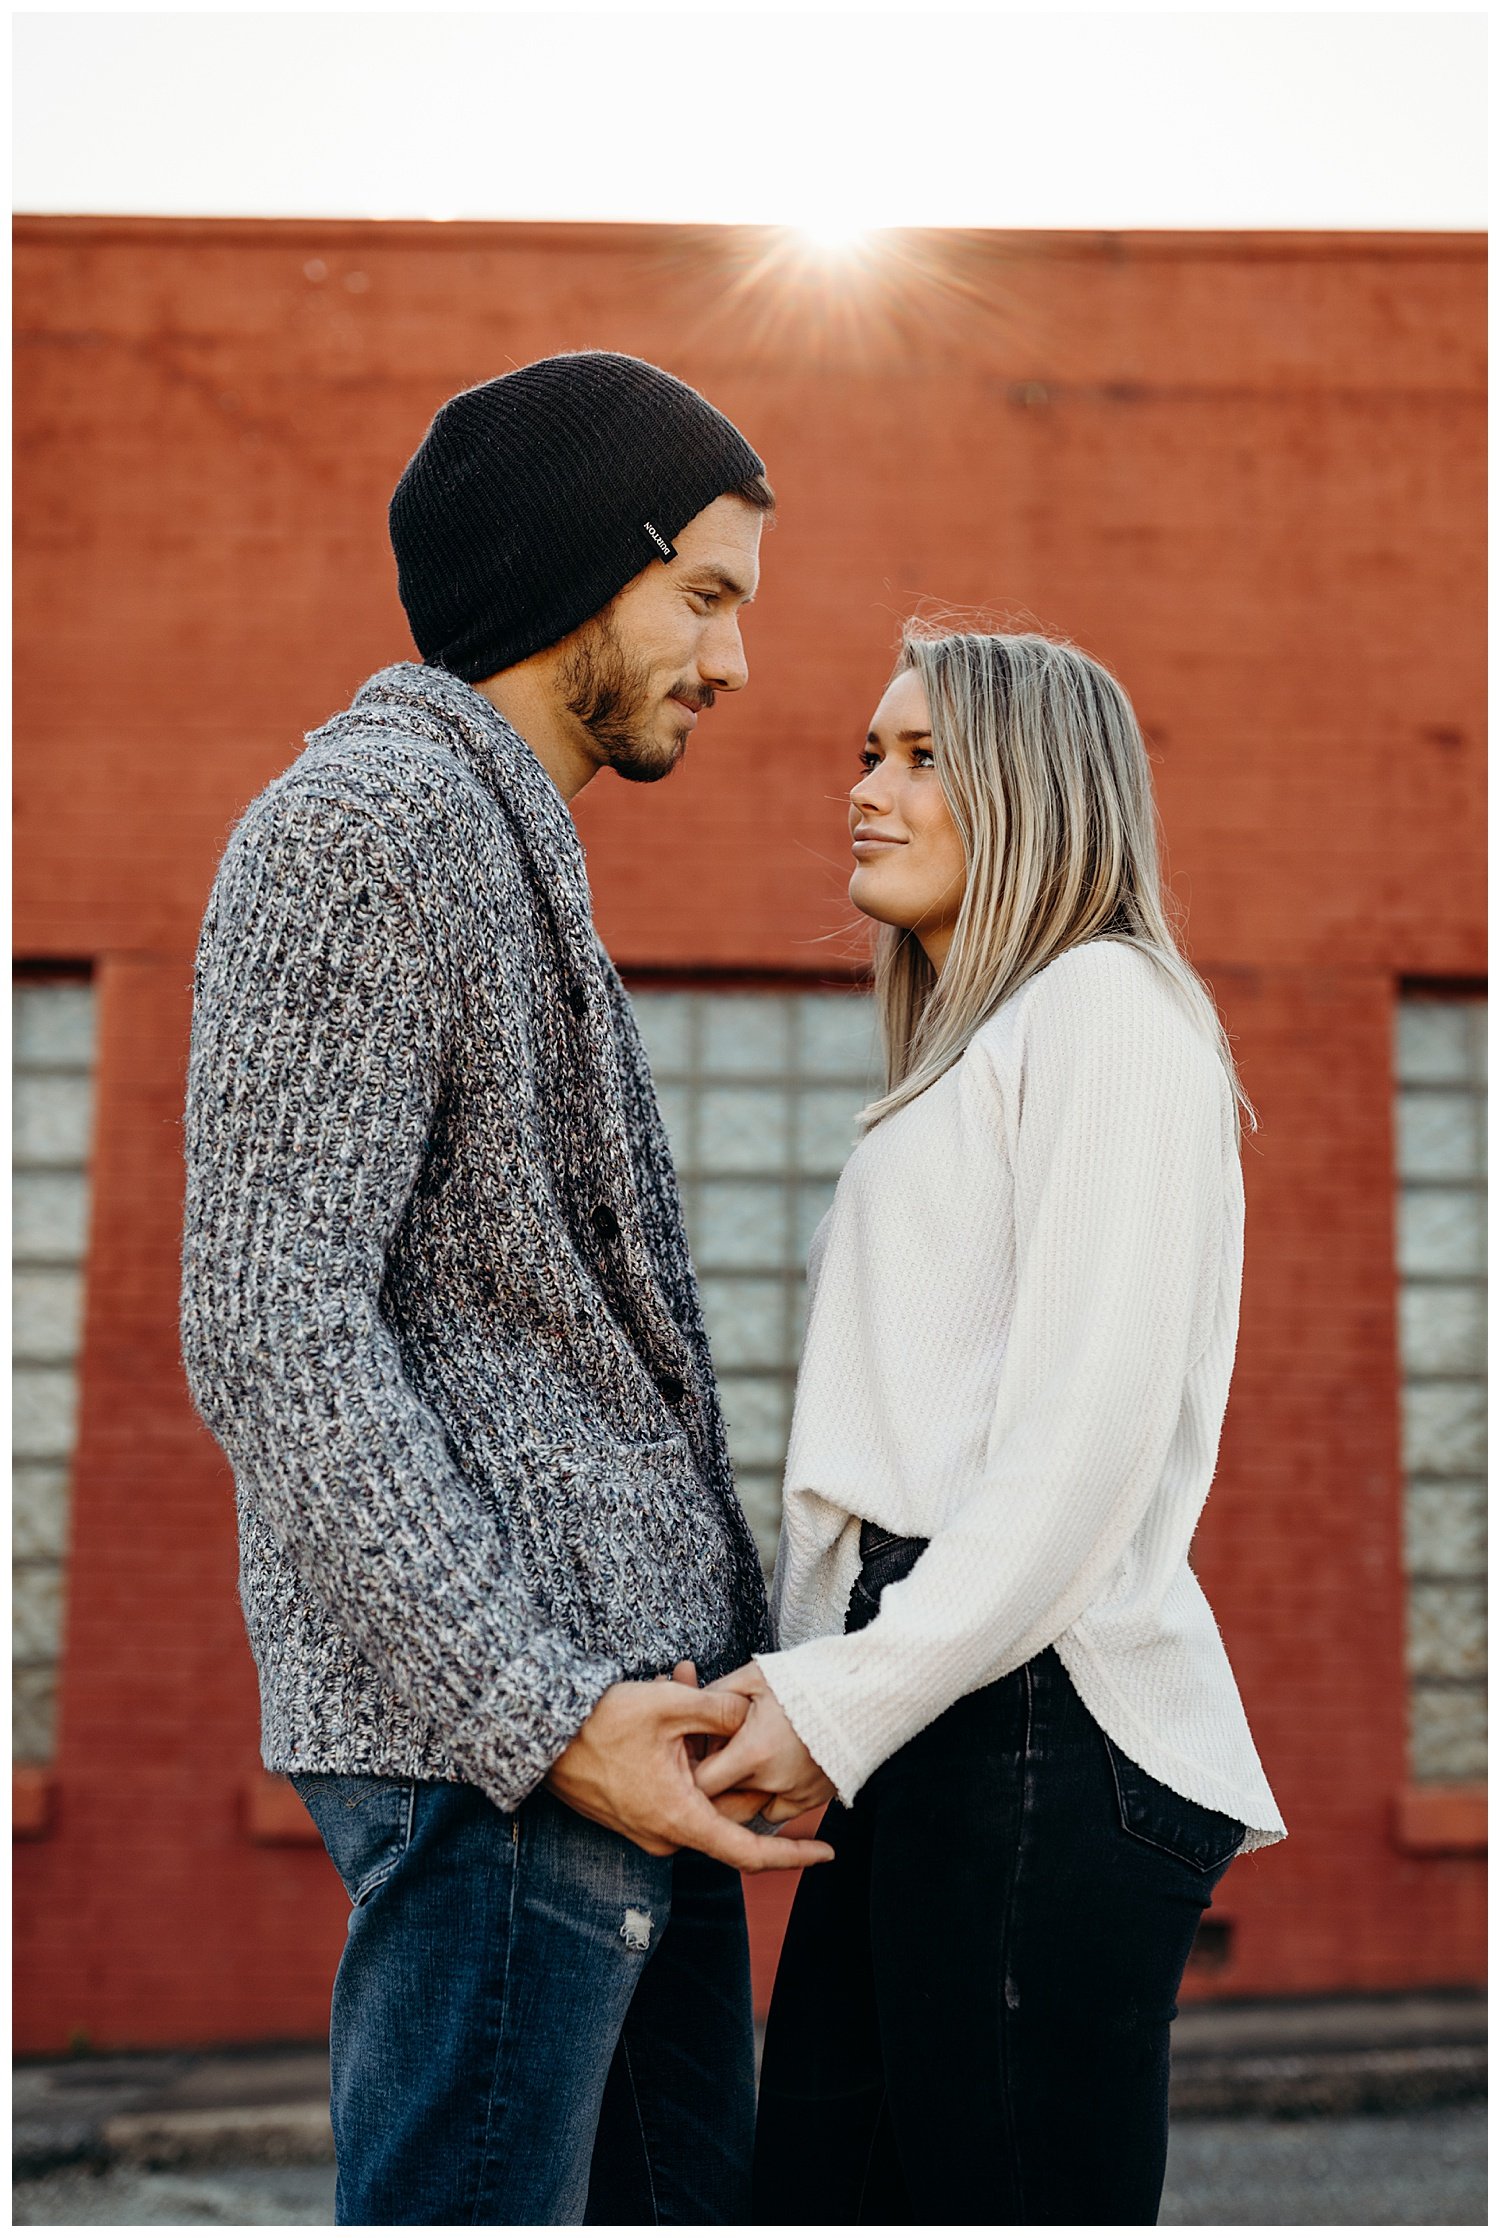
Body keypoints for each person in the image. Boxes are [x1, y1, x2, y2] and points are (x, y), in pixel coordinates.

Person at [179, 351, 831, 2228]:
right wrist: (542, 1712)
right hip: (517, 1770)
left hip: (622, 1750)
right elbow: (272, 1319)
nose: (732, 661)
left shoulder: (499, 846)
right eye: (705, 594)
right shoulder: (367, 827)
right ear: (577, 571)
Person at [696, 626, 1288, 2225]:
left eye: (917, 755)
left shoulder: (1106, 1012)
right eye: (865, 754)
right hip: (939, 1712)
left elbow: (1075, 1453)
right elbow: (891, 1450)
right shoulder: (971, 1054)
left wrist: (837, 1703)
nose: (863, 791)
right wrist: (827, 1698)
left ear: (1034, 782)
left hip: (1042, 1715)